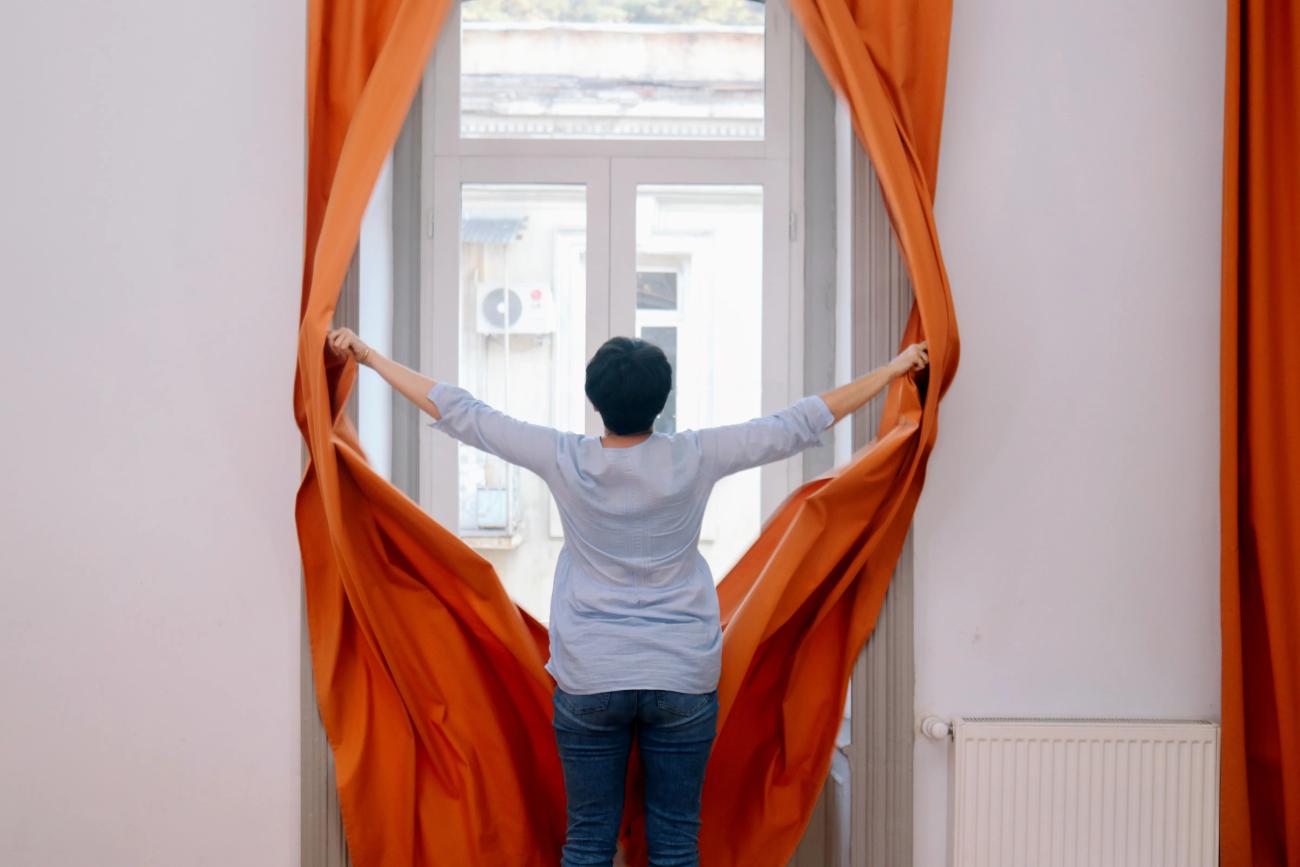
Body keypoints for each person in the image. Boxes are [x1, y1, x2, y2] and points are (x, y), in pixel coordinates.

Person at [325, 328, 928, 867]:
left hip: (591, 675)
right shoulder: (695, 455)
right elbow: (802, 421)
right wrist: (896, 368)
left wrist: (371, 356)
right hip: (682, 675)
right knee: (674, 842)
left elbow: (462, 413)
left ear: (596, 400)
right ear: (660, 401)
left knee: (588, 841)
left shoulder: (565, 458)